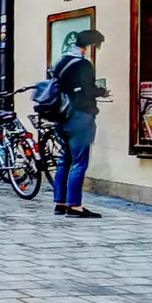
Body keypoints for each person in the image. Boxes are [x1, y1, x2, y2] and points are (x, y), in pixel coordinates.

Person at [51, 29, 104, 219]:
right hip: (79, 117)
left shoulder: (58, 63)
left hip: (60, 117)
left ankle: (60, 202)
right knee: (79, 162)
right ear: (87, 46)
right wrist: (101, 92)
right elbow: (86, 90)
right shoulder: (82, 65)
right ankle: (74, 206)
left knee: (64, 160)